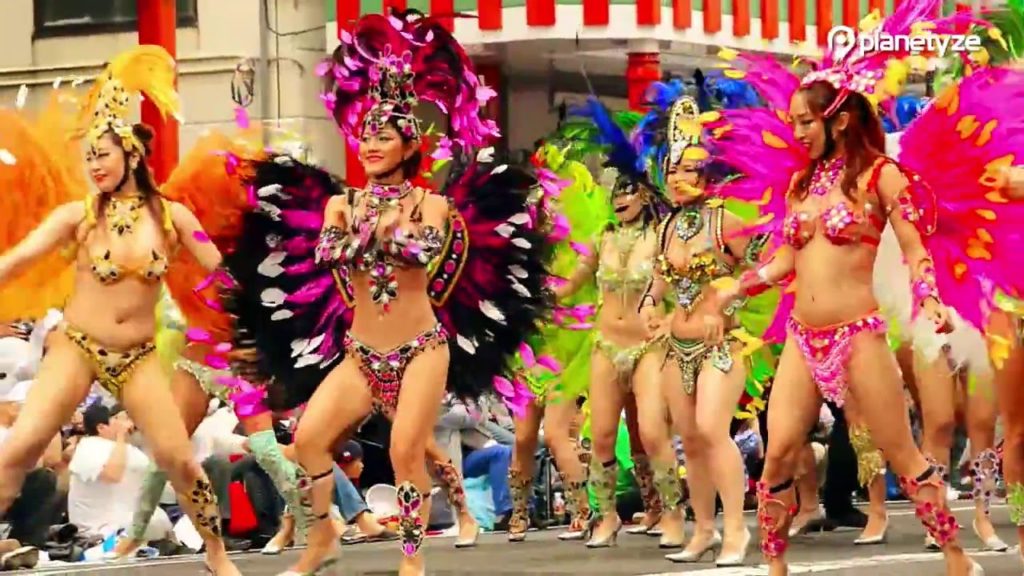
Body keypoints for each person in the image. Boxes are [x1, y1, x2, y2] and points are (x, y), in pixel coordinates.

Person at [216, 11, 550, 576]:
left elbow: (422, 250)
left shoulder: (432, 205)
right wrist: (378, 235)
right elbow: (329, 252)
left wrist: (373, 237)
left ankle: (413, 560)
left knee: (404, 450)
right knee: (309, 442)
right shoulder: (340, 203)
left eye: (383, 137)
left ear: (408, 144)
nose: (370, 145)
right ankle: (323, 539)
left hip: (421, 350)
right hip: (360, 355)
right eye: (366, 136)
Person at [705, 6, 1024, 571]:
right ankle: (775, 566)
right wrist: (740, 287)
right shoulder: (800, 182)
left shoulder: (882, 175)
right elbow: (787, 258)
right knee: (778, 454)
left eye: (805, 121)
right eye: (793, 123)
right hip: (804, 338)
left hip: (859, 335)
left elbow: (916, 248)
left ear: (840, 120)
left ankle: (956, 556)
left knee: (904, 453)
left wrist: (929, 297)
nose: (797, 132)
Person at [0, 46, 240, 575]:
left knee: (179, 459)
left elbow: (221, 271)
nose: (94, 165)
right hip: (77, 348)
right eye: (88, 157)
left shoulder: (172, 217)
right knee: (20, 448)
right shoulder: (78, 216)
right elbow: (17, 260)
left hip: (137, 357)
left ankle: (218, 556)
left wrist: (264, 304)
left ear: (131, 154)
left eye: (103, 154)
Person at [635, 85, 777, 565]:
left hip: (721, 345)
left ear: (709, 172)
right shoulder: (667, 227)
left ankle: (736, 530)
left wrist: (727, 297)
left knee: (713, 429)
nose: (678, 178)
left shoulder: (725, 223)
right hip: (676, 347)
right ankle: (703, 530)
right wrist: (649, 306)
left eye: (689, 169)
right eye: (672, 169)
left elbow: (766, 269)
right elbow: (658, 281)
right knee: (690, 441)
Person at [554, 98, 685, 549]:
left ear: (645, 193)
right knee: (603, 435)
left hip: (648, 347)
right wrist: (533, 292)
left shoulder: (662, 236)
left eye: (628, 191)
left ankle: (673, 513)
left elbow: (681, 281)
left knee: (651, 430)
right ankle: (606, 517)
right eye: (615, 193)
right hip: (606, 345)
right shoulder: (602, 238)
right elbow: (571, 284)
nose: (620, 199)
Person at [67, 403, 170, 540]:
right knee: (152, 524)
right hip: (98, 529)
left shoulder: (129, 449)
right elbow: (112, 475)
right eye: (118, 419)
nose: (128, 423)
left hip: (129, 520)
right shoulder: (88, 446)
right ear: (101, 427)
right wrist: (121, 436)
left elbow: (155, 475)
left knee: (162, 521)